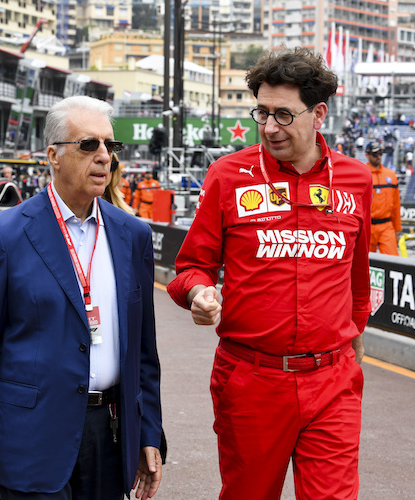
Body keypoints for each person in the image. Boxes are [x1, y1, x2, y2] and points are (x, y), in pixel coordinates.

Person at [166, 47, 372, 500]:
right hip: (252, 381)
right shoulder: (227, 176)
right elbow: (190, 268)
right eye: (262, 113)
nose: (270, 127)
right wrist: (199, 293)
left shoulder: (356, 179)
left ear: (318, 113)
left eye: (283, 114)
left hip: (333, 380)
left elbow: (359, 278)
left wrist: (354, 340)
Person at [0, 95, 162, 500]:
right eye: (88, 145)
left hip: (111, 437)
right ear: (53, 156)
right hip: (31, 439)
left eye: (110, 147)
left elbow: (143, 352)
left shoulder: (134, 235)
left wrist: (149, 432)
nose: (103, 157)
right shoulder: (6, 235)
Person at [365, 141, 401, 256]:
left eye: (380, 153)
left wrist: (397, 229)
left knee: (393, 261)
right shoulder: (362, 174)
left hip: (386, 226)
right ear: (368, 155)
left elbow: (396, 205)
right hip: (367, 227)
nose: (378, 157)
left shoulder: (391, 175)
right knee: (365, 263)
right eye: (375, 154)